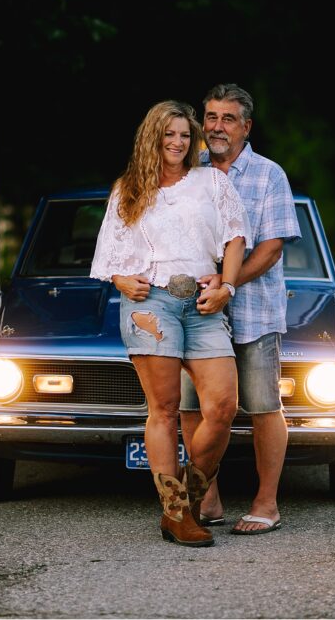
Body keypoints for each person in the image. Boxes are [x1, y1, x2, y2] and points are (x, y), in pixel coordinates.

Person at [90, 100, 250, 547]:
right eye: (169, 134)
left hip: (202, 302)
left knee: (223, 407)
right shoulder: (129, 189)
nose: (178, 143)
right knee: (163, 409)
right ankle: (178, 513)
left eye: (185, 135)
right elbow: (108, 257)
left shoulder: (211, 182)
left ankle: (185, 498)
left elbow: (235, 238)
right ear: (153, 138)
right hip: (151, 305)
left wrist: (228, 286)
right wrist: (123, 280)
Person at [181, 83, 301, 535]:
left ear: (246, 126)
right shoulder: (190, 172)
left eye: (227, 118)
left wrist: (229, 283)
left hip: (253, 312)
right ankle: (207, 498)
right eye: (210, 117)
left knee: (265, 406)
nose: (216, 127)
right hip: (196, 311)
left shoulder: (269, 175)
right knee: (194, 407)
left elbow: (270, 249)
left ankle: (266, 503)